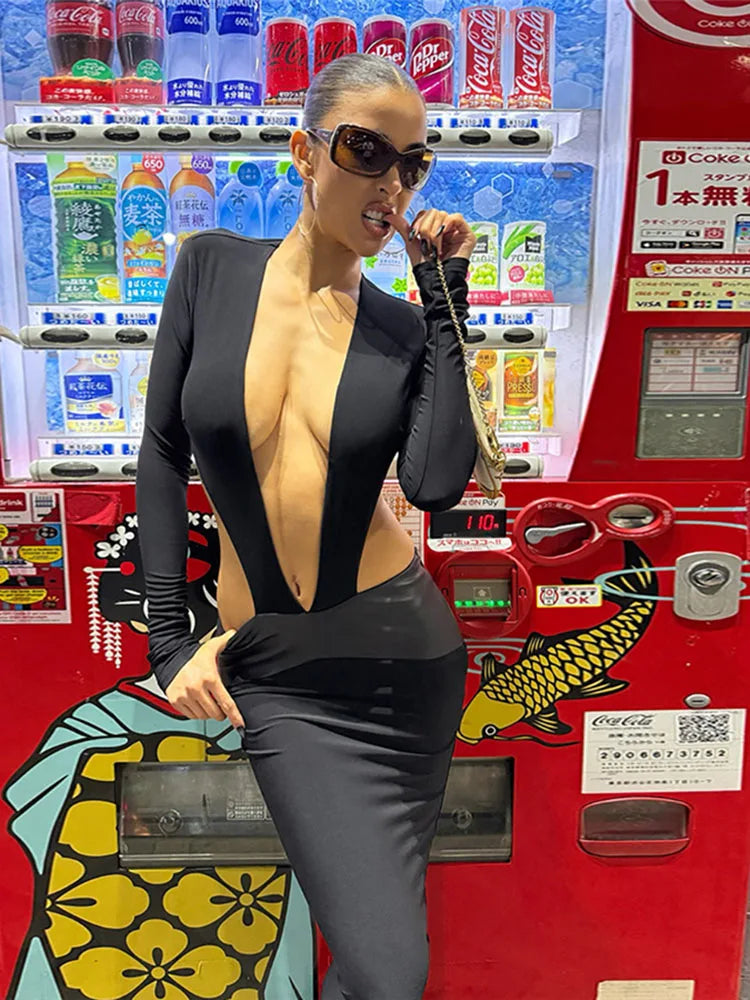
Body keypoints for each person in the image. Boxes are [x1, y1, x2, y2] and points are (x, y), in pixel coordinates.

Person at [136, 52, 478, 1000]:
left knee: (378, 964)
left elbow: (435, 483)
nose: (391, 183)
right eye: (367, 152)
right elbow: (160, 453)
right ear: (305, 151)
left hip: (398, 661)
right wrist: (168, 642)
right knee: (383, 967)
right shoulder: (209, 268)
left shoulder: (400, 329)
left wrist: (444, 295)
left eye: (413, 163)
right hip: (275, 666)